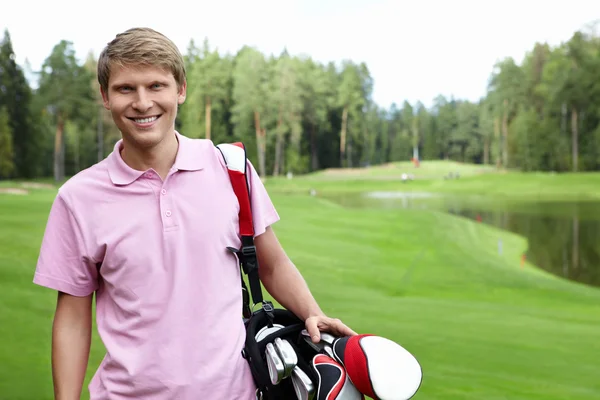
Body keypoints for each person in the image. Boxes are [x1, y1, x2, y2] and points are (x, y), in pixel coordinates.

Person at [33, 27, 356, 400]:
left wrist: (312, 312)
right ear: (105, 96)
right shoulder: (78, 198)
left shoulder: (231, 169)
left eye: (156, 86)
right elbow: (72, 319)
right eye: (126, 88)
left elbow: (271, 264)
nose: (142, 102)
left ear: (180, 89)